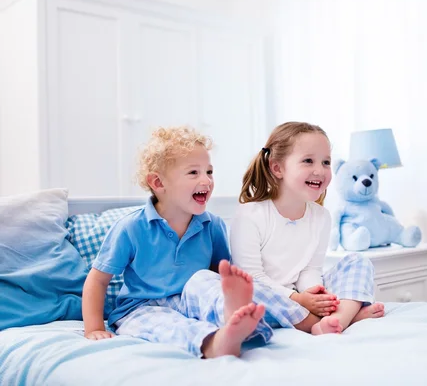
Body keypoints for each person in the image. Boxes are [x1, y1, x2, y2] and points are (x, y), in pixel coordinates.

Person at [82, 126, 281, 358]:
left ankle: (230, 314)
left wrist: (224, 293)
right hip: (140, 307)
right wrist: (94, 328)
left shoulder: (212, 225)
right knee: (167, 325)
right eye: (193, 173)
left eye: (209, 171)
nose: (206, 180)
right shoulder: (131, 227)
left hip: (188, 300)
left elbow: (219, 275)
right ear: (158, 183)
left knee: (205, 280)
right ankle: (215, 342)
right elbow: (97, 281)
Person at [230, 122, 385, 335]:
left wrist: (315, 294)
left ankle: (337, 319)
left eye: (326, 162)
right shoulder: (249, 214)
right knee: (246, 290)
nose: (319, 170)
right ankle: (344, 317)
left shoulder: (321, 216)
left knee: (359, 262)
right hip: (270, 297)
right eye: (308, 161)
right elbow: (251, 276)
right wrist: (299, 299)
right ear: (277, 168)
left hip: (300, 295)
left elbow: (310, 270)